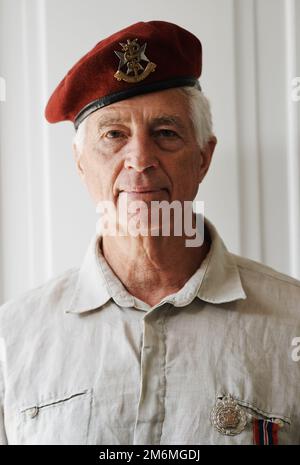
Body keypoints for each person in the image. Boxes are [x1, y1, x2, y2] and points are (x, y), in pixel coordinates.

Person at [0, 20, 299, 446]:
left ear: (203, 157)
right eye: (114, 135)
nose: (140, 159)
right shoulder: (13, 339)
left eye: (165, 133)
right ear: (80, 162)